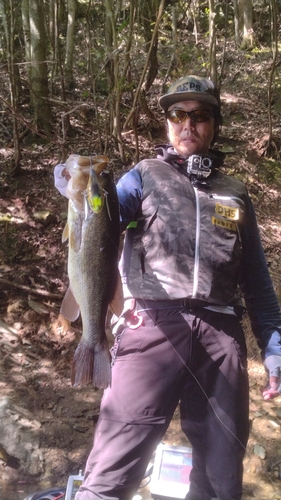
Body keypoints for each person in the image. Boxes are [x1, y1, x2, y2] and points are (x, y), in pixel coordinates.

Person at [54, 75, 281, 500]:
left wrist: (274, 349)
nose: (187, 124)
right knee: (111, 472)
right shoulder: (144, 176)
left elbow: (259, 283)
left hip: (221, 338)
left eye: (200, 116)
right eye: (177, 115)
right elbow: (102, 221)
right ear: (166, 123)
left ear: (215, 125)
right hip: (150, 324)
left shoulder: (236, 194)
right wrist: (75, 187)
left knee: (220, 478)